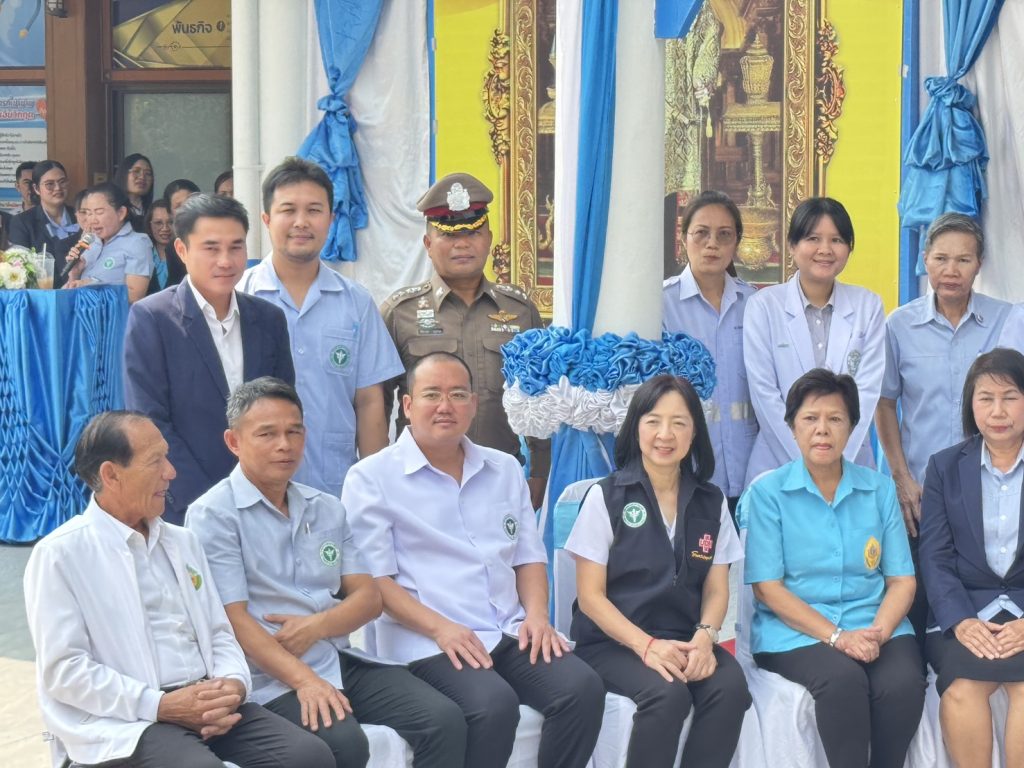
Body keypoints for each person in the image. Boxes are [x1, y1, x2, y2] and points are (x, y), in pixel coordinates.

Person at [23, 411, 334, 768]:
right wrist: (158, 705)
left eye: (167, 457)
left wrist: (233, 685)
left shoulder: (183, 542)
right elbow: (65, 670)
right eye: (155, 461)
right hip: (131, 718)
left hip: (207, 698)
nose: (170, 472)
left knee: (310, 757)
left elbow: (219, 633)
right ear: (111, 475)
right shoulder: (61, 555)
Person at [188, 378, 467, 768]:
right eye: (267, 434)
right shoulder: (213, 515)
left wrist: (316, 626)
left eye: (294, 432)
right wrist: (305, 680)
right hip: (269, 672)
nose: (285, 445)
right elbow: (232, 619)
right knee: (344, 743)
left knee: (443, 719)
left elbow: (368, 598)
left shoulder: (324, 507)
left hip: (334, 655)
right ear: (234, 442)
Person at [343, 352, 604, 768]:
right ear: (407, 405)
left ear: (474, 404)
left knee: (581, 688)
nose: (445, 406)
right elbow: (376, 582)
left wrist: (537, 616)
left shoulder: (504, 468)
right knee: (493, 705)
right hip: (428, 638)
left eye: (458, 394)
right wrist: (441, 629)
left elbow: (528, 558)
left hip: (508, 629)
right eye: (432, 394)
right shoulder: (371, 477)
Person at [741, 368, 925, 768]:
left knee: (904, 684)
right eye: (810, 418)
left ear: (853, 427)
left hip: (874, 623)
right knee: (843, 681)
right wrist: (838, 637)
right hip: (795, 631)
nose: (822, 430)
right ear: (792, 426)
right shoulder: (768, 493)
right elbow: (767, 588)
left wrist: (877, 633)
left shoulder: (878, 489)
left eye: (835, 418)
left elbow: (901, 580)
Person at [566, 374, 751, 767]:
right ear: (636, 427)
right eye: (653, 421)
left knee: (730, 688)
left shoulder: (711, 500)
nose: (665, 434)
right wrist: (647, 647)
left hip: (685, 639)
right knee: (667, 694)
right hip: (612, 644)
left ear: (694, 432)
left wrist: (705, 638)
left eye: (679, 423)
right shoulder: (607, 496)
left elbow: (717, 589)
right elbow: (590, 597)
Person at [875, 213, 1010, 643]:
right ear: (924, 260)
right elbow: (885, 403)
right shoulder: (899, 325)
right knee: (918, 592)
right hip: (922, 489)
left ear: (980, 264)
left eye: (963, 260)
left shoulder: (1008, 321)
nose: (951, 270)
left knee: (980, 590)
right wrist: (901, 478)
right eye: (941, 258)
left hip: (990, 485)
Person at [123, 193, 294, 525]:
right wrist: (209, 502)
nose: (226, 261)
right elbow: (150, 420)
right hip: (185, 506)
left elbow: (282, 411)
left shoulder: (269, 319)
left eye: (236, 247)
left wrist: (264, 489)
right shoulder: (152, 318)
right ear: (182, 250)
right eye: (211, 248)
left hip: (263, 501)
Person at [381, 173, 549, 509]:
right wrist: (379, 473)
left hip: (498, 478)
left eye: (473, 232)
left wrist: (541, 471)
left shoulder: (520, 311)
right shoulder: (399, 313)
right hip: (418, 483)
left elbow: (539, 397)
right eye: (448, 234)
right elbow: (377, 403)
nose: (462, 244)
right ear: (428, 244)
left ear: (489, 238)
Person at [238, 157, 403, 495]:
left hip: (335, 487)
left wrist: (375, 491)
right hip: (254, 488)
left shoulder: (356, 303)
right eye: (288, 210)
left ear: (330, 219)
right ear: (266, 219)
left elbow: (370, 401)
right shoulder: (240, 297)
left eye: (314, 210)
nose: (301, 222)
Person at [919, 348, 1024, 768]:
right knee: (962, 689)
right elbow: (935, 556)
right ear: (970, 405)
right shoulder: (944, 467)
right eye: (986, 398)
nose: (998, 411)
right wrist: (961, 620)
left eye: (1010, 397)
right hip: (965, 609)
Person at [743, 197, 885, 485]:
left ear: (849, 248)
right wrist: (810, 464)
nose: (825, 249)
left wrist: (835, 462)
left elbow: (866, 393)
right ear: (792, 245)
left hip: (851, 463)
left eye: (836, 240)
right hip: (779, 466)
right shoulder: (764, 306)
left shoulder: (868, 305)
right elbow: (764, 395)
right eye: (813, 238)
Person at [663, 191, 757, 510]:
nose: (712, 244)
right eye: (701, 233)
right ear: (684, 238)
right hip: (687, 469)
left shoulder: (755, 304)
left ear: (736, 243)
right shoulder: (662, 305)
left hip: (752, 469)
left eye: (724, 235)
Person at [64, 182, 153, 302]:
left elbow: (135, 296)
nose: (92, 220)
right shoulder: (90, 242)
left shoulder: (137, 242)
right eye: (88, 213)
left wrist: (92, 286)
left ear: (121, 213)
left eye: (99, 212)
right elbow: (71, 294)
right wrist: (75, 273)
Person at [9, 159, 79, 281]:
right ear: (36, 188)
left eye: (62, 182)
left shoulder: (81, 215)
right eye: (49, 184)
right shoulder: (22, 222)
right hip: (42, 290)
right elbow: (19, 266)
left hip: (80, 287)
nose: (58, 188)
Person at [144, 198, 186, 294]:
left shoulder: (186, 254)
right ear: (149, 225)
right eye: (158, 223)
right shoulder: (142, 252)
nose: (165, 228)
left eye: (170, 222)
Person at [114, 152, 156, 218]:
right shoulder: (112, 209)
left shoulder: (154, 212)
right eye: (136, 171)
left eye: (148, 173)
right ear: (123, 174)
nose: (142, 177)